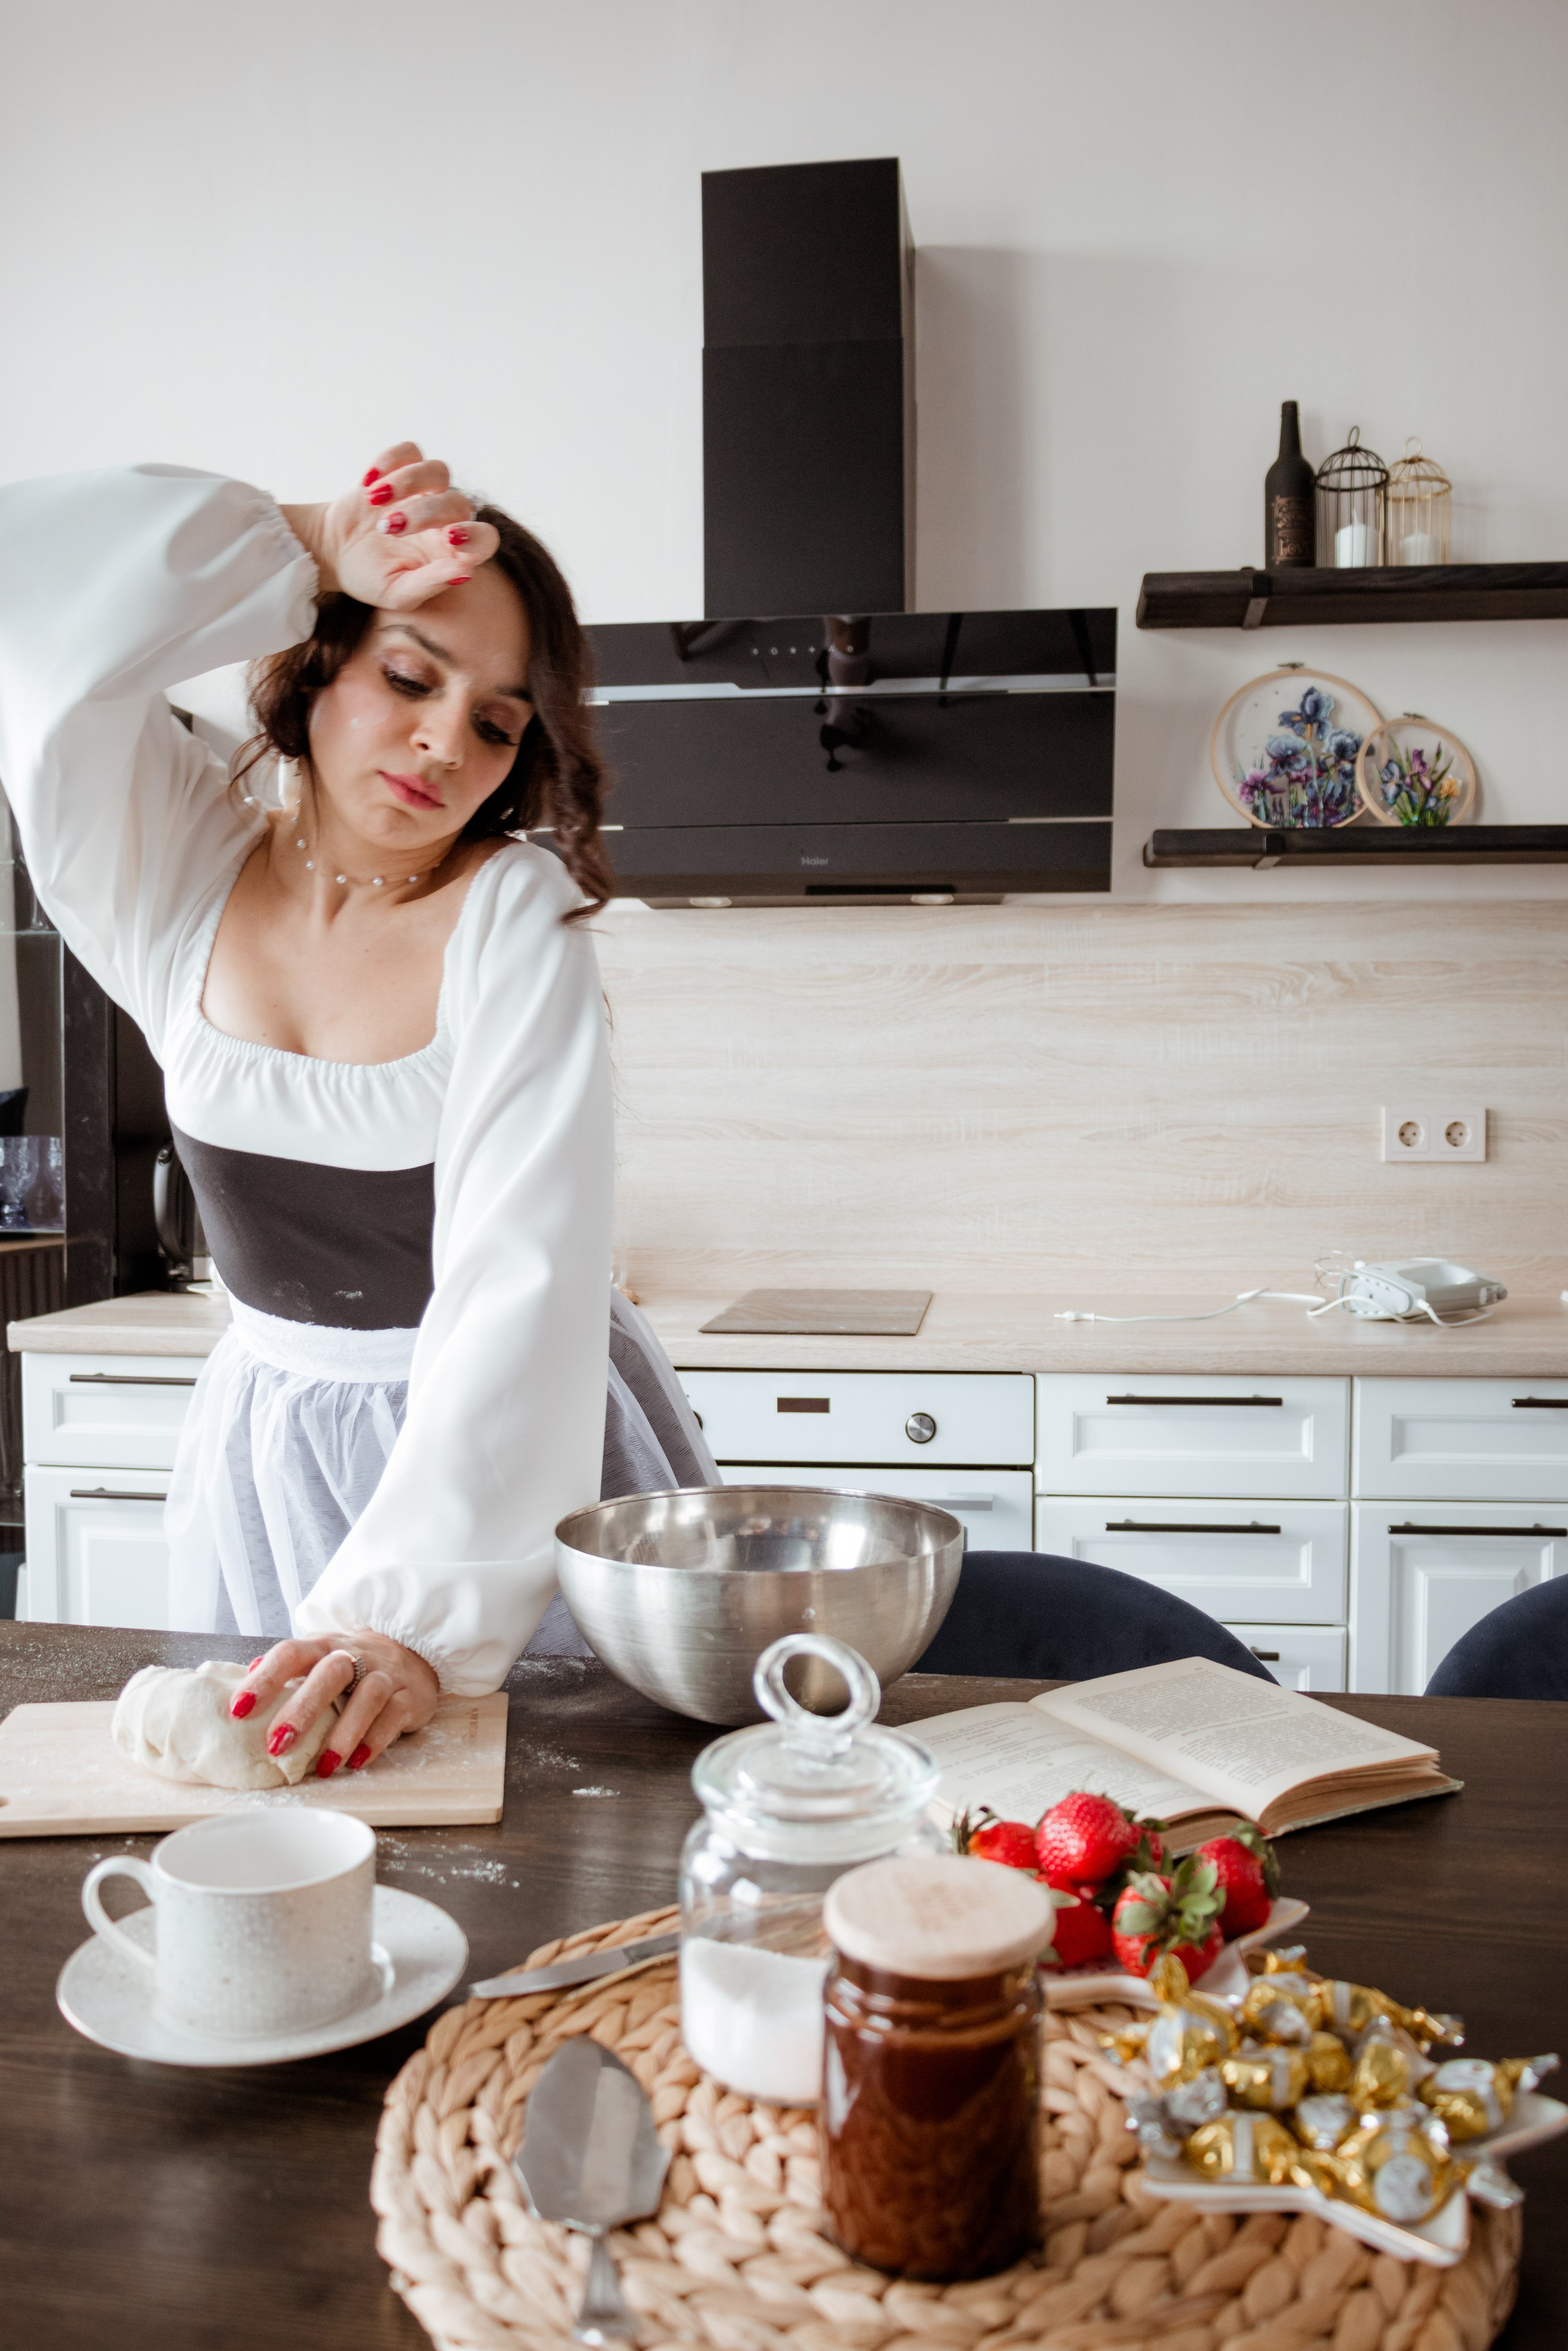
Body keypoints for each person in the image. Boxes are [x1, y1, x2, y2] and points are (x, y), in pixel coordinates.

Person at [0, 443, 712, 1774]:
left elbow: (519, 1286)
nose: (447, 741)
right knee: (265, 1837)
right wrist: (304, 537)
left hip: (502, 1472)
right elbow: (27, 606)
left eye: (497, 721)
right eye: (407, 674)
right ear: (317, 657)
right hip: (263, 1451)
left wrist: (416, 1620)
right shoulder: (183, 857)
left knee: (525, 1835)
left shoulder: (517, 914)